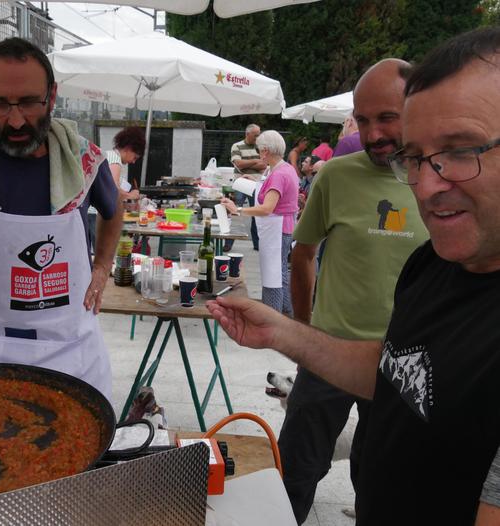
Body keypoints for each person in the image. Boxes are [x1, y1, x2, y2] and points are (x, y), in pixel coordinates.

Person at [208, 26, 500, 525]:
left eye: (460, 150)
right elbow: (400, 370)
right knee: (298, 467)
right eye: (415, 158)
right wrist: (284, 331)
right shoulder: (431, 263)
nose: (426, 185)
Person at [0, 38, 123, 443]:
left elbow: (113, 209)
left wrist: (102, 266)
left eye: (29, 103)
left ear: (52, 97)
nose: (14, 121)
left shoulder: (83, 162)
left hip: (76, 356)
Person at [279, 58, 430, 524]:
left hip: (405, 360)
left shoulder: (438, 179)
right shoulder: (335, 176)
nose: (372, 134)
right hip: (329, 352)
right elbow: (302, 255)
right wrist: (304, 335)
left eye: (386, 117)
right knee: (293, 474)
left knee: (383, 485)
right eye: (362, 120)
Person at [221, 130, 299, 316]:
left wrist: (237, 210)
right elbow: (271, 188)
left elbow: (267, 208)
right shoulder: (283, 168)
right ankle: (286, 313)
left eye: (259, 150)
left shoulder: (279, 174)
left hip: (277, 230)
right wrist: (256, 181)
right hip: (282, 228)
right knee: (280, 272)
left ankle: (272, 317)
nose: (258, 154)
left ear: (265, 151)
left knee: (273, 275)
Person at [88, 127, 145, 251]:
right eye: (135, 157)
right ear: (128, 148)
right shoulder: (115, 159)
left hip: (92, 212)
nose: (133, 162)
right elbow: (113, 190)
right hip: (97, 214)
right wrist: (132, 195)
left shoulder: (108, 155)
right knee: (103, 254)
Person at [223, 124, 264, 252]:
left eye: (259, 135)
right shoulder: (237, 146)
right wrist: (255, 161)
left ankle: (257, 244)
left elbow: (264, 165)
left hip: (256, 184)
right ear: (247, 134)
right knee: (235, 212)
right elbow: (238, 164)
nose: (257, 137)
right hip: (240, 183)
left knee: (256, 214)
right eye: (255, 135)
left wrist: (246, 163)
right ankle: (229, 242)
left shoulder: (260, 147)